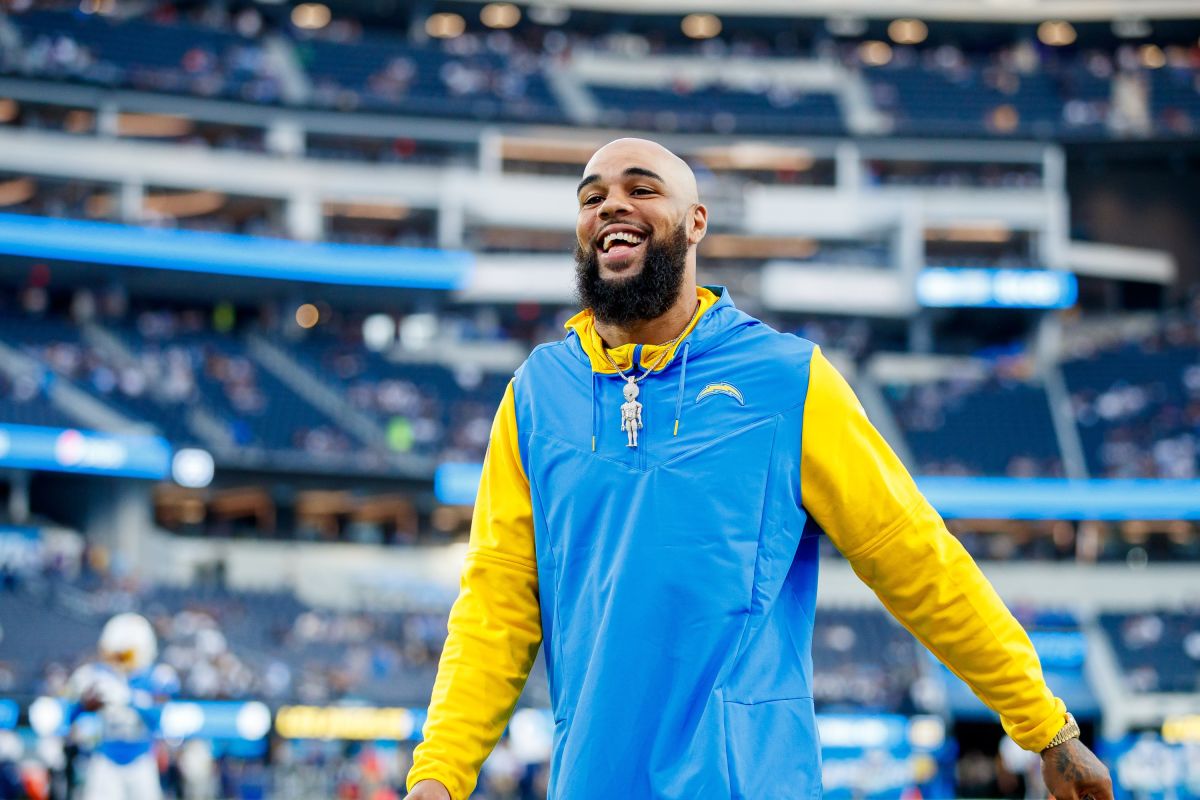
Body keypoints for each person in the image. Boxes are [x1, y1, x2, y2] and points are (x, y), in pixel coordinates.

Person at [404, 138, 1113, 800]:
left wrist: (1044, 725)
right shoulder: (534, 396)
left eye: (641, 189)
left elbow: (915, 557)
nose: (611, 205)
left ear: (696, 223)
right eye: (592, 198)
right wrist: (438, 774)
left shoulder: (788, 380)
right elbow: (496, 602)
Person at [66, 612, 175, 800]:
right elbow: (69, 716)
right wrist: (84, 704)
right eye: (115, 655)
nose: (120, 661)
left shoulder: (157, 677)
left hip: (141, 759)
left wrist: (129, 699)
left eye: (126, 655)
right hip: (105, 758)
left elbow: (156, 719)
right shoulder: (95, 676)